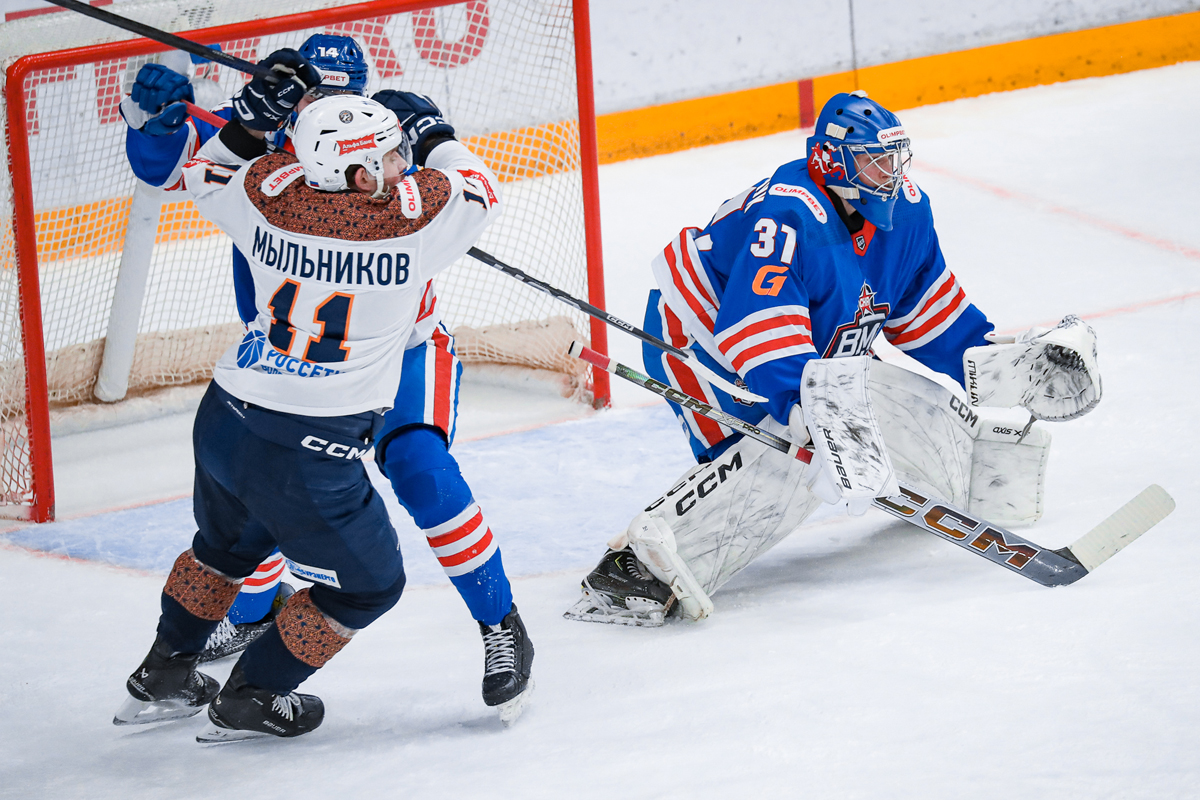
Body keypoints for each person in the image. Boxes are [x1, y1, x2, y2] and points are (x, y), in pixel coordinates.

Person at [113, 52, 532, 741]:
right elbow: (476, 187)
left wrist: (245, 121)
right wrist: (432, 134)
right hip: (315, 420)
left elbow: (204, 170)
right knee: (366, 581)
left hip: (242, 396)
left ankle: (500, 625)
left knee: (251, 533)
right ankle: (255, 687)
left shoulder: (267, 184)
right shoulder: (412, 216)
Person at [564, 91, 1102, 627]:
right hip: (702, 336)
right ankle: (638, 567)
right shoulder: (789, 213)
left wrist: (1001, 364)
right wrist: (805, 411)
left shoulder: (907, 212)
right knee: (779, 453)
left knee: (851, 409)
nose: (889, 173)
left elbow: (926, 310)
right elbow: (758, 324)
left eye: (893, 158)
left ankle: (970, 470)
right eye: (873, 161)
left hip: (805, 341)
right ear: (831, 161)